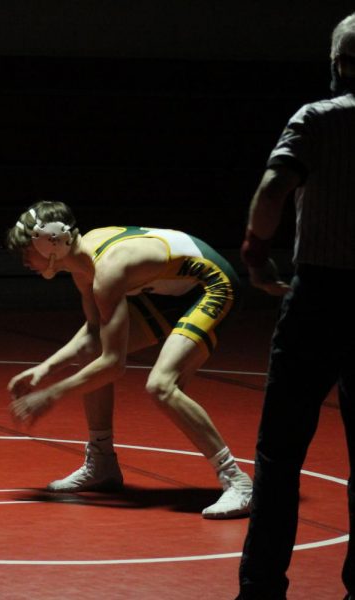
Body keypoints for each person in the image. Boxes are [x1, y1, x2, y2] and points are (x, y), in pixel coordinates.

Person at [6, 200, 252, 519]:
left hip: (213, 284)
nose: (24, 259)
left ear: (50, 244)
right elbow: (95, 335)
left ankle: (238, 482)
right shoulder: (83, 266)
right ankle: (102, 463)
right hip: (172, 289)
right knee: (95, 354)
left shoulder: (108, 269)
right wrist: (46, 368)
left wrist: (52, 394)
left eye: (27, 250)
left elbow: (113, 363)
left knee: (162, 386)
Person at [237, 12, 355, 599]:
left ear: (337, 63)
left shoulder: (319, 118)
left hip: (322, 292)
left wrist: (257, 256)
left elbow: (272, 189)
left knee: (280, 454)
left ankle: (261, 589)